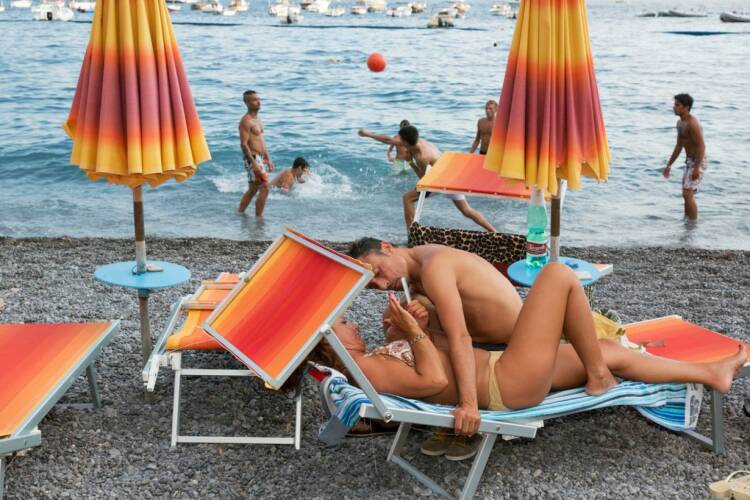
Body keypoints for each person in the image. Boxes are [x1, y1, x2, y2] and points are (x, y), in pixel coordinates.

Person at [316, 267, 746, 460]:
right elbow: (433, 379)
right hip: (505, 383)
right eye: (343, 325)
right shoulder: (366, 369)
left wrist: (414, 327)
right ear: (330, 346)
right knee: (558, 276)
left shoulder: (371, 358)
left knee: (605, 350)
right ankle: (600, 379)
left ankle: (711, 373)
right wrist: (413, 333)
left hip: (503, 368)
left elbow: (432, 357)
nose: (352, 323)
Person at [358, 125, 496, 233]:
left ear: (405, 141)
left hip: (441, 180)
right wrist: (367, 134)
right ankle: (493, 231)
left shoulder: (422, 156)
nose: (397, 139)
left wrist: (410, 162)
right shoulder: (417, 141)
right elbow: (388, 139)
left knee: (407, 198)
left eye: (399, 138)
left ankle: (411, 235)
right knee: (466, 210)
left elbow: (424, 182)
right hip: (451, 174)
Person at [662, 93, 706, 222]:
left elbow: (701, 146)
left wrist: (697, 168)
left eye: (678, 105)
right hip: (689, 161)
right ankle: (687, 222)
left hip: (698, 161)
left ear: (686, 107)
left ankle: (692, 223)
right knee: (686, 194)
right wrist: (669, 165)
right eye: (674, 104)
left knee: (688, 193)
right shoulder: (680, 123)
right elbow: (679, 145)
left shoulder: (693, 124)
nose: (674, 107)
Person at [239, 90, 275, 216]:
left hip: (260, 157)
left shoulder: (258, 119)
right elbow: (243, 144)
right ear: (247, 103)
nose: (258, 102)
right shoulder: (246, 121)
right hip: (253, 158)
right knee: (265, 186)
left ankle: (240, 213)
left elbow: (261, 140)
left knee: (253, 189)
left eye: (258, 99)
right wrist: (254, 163)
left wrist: (268, 158)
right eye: (254, 100)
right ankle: (259, 217)